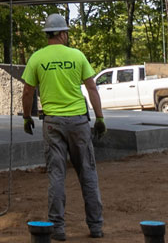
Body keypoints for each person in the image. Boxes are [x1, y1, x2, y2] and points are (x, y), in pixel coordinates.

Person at [21, 13, 107, 240]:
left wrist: (27, 118)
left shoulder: (37, 58)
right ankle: (96, 227)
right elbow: (92, 89)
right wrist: (99, 118)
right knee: (88, 174)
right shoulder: (77, 56)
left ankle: (58, 229)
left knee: (56, 176)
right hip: (79, 121)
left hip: (52, 124)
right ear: (60, 33)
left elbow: (28, 91)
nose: (67, 35)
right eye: (66, 32)